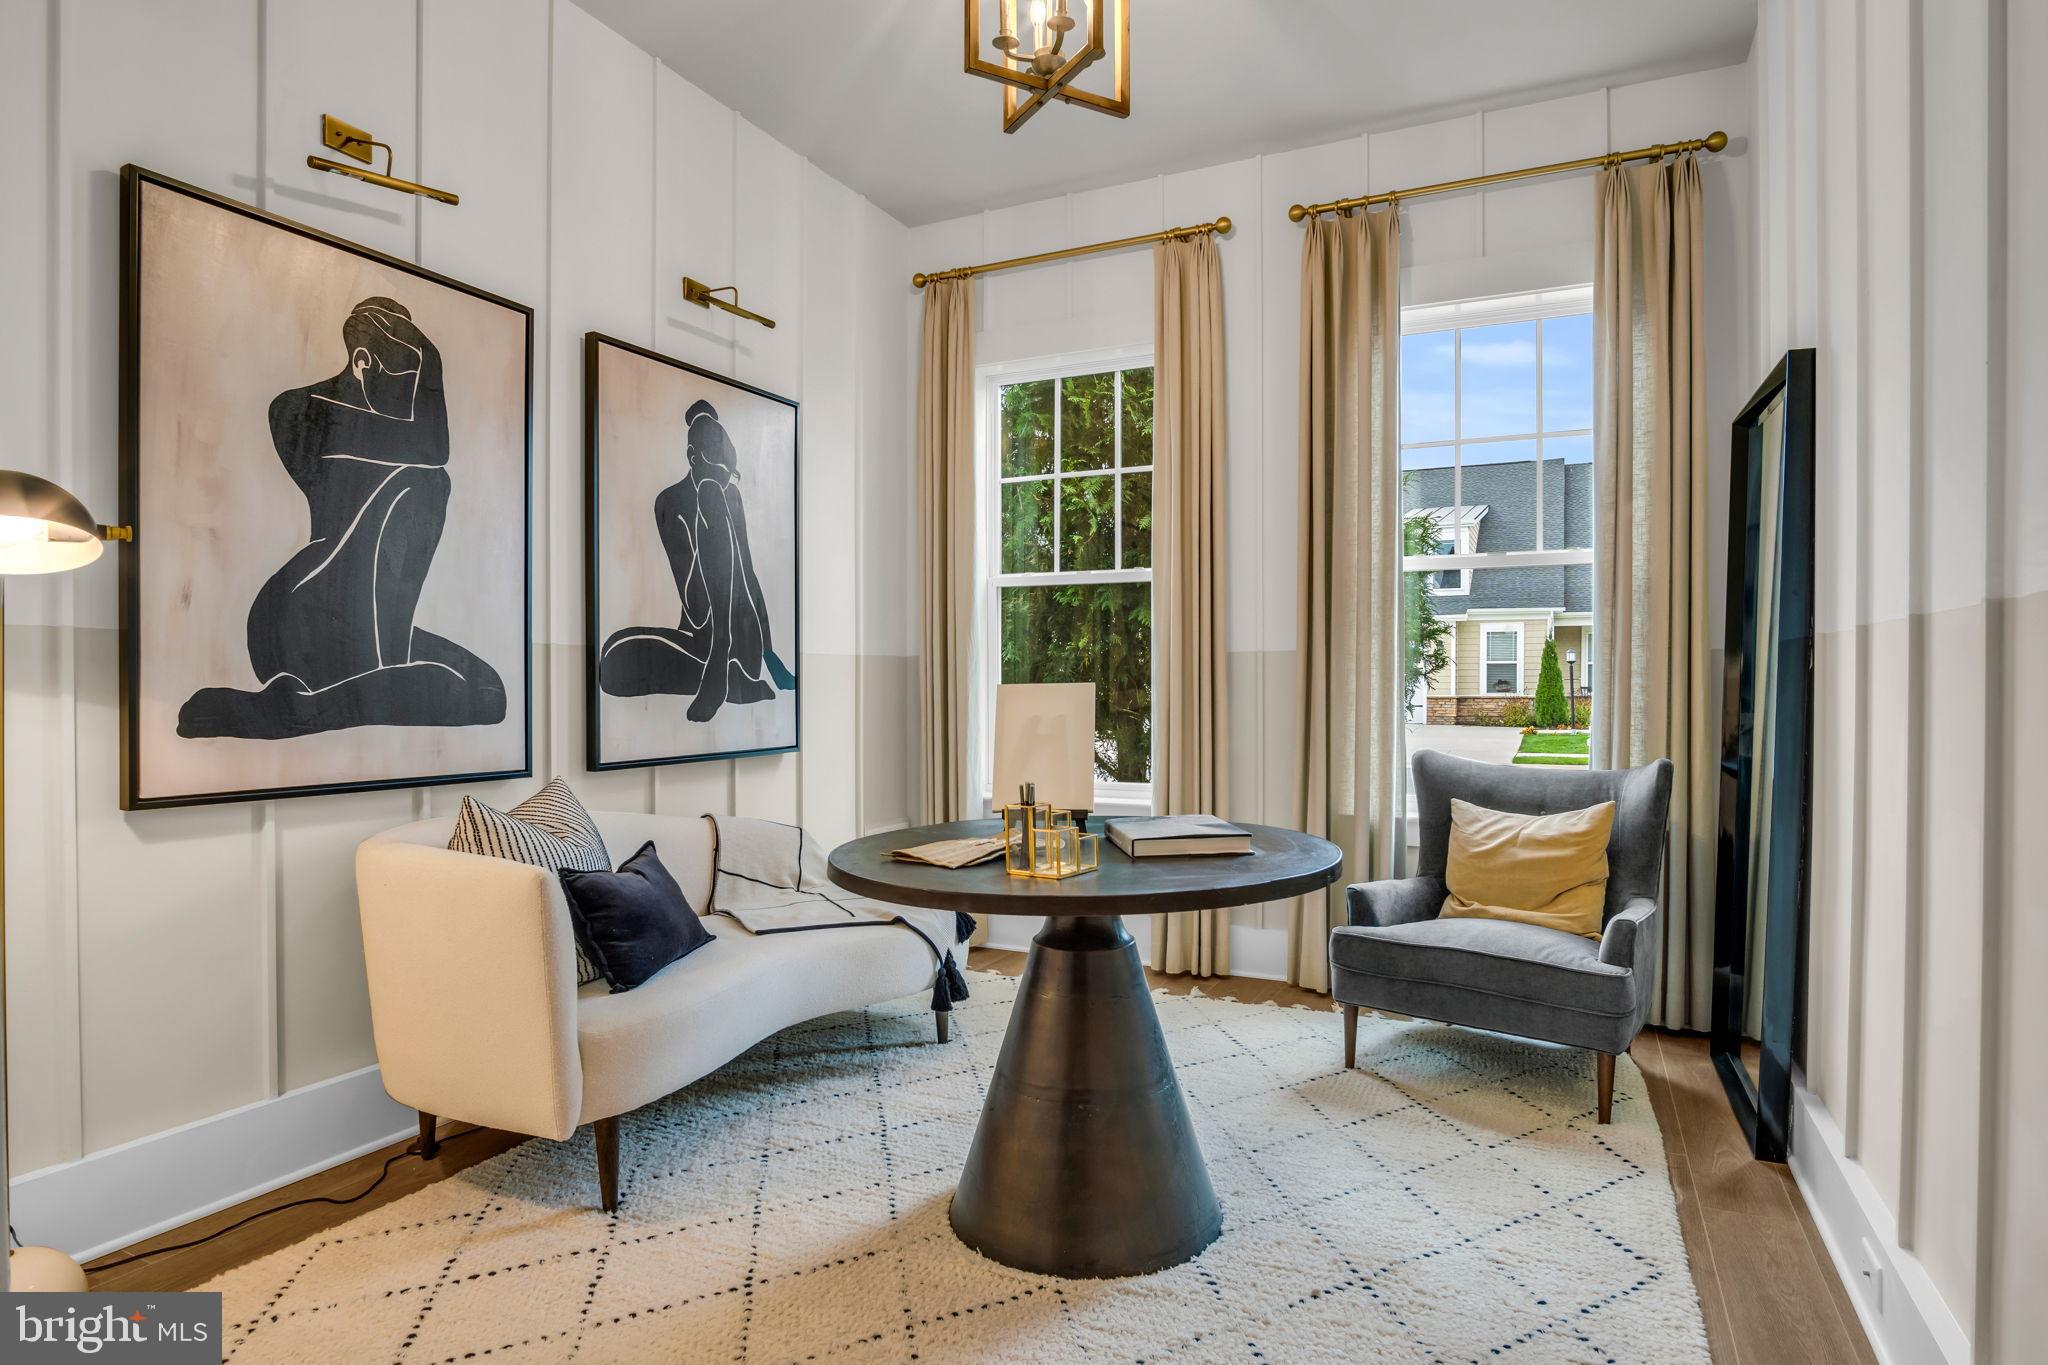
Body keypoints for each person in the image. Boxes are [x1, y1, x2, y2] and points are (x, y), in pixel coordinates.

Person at [178, 297, 506, 739]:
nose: (410, 396)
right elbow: (432, 451)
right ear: (362, 361)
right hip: (306, 610)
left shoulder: (398, 428)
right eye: (404, 377)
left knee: (488, 693)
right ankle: (338, 695)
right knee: (428, 483)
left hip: (376, 624)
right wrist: (431, 360)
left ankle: (303, 709)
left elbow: (430, 446)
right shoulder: (299, 408)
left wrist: (424, 361)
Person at [598, 397, 793, 722]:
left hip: (730, 649)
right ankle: (724, 671)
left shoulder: (726, 495)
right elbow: (697, 609)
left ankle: (721, 670)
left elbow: (748, 571)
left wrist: (770, 655)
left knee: (616, 662)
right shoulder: (671, 502)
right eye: (716, 475)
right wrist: (706, 515)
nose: (722, 485)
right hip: (702, 639)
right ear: (692, 458)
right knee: (612, 657)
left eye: (730, 477)